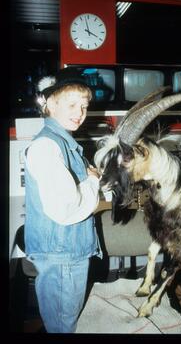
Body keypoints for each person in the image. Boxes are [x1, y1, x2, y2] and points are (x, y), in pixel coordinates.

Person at [23, 73, 102, 333]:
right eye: (72, 105)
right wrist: (92, 182)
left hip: (67, 252)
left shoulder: (64, 142)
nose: (80, 112)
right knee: (62, 326)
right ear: (50, 104)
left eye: (84, 106)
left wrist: (91, 178)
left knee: (65, 321)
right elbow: (67, 210)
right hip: (62, 257)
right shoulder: (47, 147)